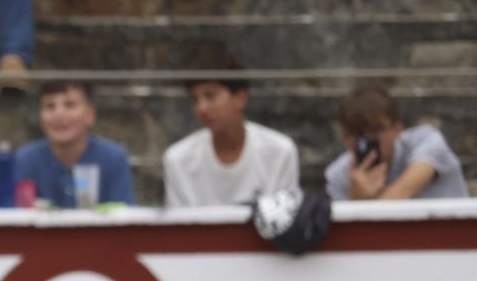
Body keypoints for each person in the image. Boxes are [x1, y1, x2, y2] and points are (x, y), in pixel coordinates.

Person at [162, 69, 300, 209]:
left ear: (240, 98)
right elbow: (180, 226)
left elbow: (284, 222)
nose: (201, 108)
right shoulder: (177, 159)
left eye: (210, 96)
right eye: (195, 99)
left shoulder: (280, 152)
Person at [323, 83, 468, 203]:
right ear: (345, 137)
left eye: (376, 131)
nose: (367, 142)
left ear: (397, 129)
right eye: (357, 134)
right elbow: (350, 235)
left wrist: (359, 205)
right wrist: (355, 197)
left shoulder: (427, 140)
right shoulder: (338, 175)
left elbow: (400, 194)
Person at [15, 80, 137, 208]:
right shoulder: (25, 159)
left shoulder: (114, 158)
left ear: (90, 115)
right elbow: (17, 218)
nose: (59, 115)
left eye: (70, 105)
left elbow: (125, 217)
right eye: (50, 106)